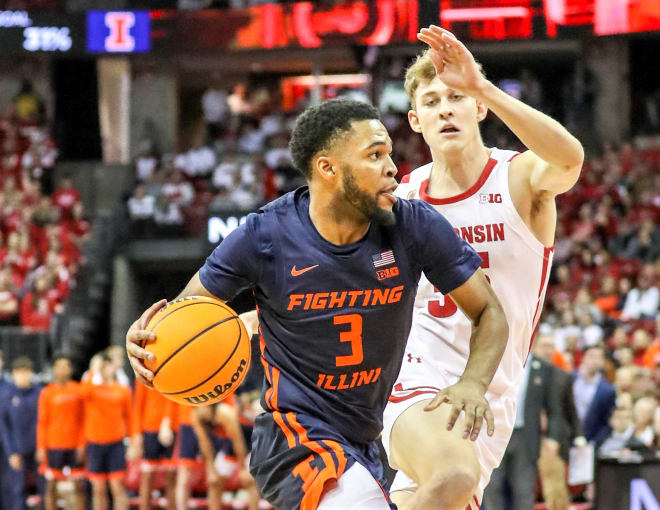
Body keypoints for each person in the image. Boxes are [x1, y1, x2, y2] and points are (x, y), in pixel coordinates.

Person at [126, 98, 508, 509]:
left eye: (389, 154)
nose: (392, 168)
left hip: (364, 439)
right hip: (293, 438)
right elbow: (189, 311)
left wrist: (473, 383)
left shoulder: (414, 226)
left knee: (457, 481)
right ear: (328, 168)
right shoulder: (265, 235)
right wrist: (152, 341)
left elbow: (489, 312)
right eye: (375, 155)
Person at [381, 25, 584, 510]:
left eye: (456, 97)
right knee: (451, 475)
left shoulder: (517, 178)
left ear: (479, 109)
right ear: (415, 120)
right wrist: (255, 321)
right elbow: (347, 285)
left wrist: (481, 82)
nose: (445, 108)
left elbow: (571, 159)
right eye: (431, 101)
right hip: (416, 376)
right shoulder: (403, 198)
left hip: (492, 393)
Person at [482, 351, 562, 510]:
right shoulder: (492, 357)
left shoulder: (544, 367)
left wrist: (553, 437)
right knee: (492, 486)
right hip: (493, 432)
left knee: (524, 488)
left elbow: (554, 407)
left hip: (525, 435)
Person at [81, 352, 132, 510]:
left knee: (117, 486)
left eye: (107, 366)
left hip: (116, 442)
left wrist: (133, 440)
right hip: (95, 443)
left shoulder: (122, 390)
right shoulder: (92, 389)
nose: (105, 369)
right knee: (98, 488)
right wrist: (94, 370)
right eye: (102, 366)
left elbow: (130, 417)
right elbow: (82, 394)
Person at [37, 354, 86, 510]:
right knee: (51, 486)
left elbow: (83, 420)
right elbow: (42, 422)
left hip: (74, 445)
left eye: (66, 366)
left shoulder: (78, 390)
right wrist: (41, 447)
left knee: (78, 486)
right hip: (54, 445)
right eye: (60, 366)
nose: (63, 370)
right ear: (54, 369)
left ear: (70, 369)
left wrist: (81, 444)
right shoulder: (47, 392)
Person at [0, 357, 42, 510]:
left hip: (38, 449)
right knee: (18, 489)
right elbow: (5, 427)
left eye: (26, 372)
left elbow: (44, 422)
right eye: (20, 372)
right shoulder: (7, 395)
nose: (23, 376)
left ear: (31, 373)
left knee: (43, 488)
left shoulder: (39, 393)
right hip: (18, 450)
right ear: (14, 374)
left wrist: (42, 447)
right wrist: (11, 452)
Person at [131, 381, 176, 510]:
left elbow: (173, 398)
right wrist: (136, 434)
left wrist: (167, 420)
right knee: (147, 477)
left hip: (171, 427)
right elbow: (138, 404)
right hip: (150, 428)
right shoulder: (144, 373)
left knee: (171, 478)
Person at [573, 344, 616, 447]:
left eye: (598, 357)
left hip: (591, 442)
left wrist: (594, 443)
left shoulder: (608, 390)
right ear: (583, 358)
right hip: (567, 439)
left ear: (602, 362)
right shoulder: (570, 379)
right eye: (591, 356)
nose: (594, 361)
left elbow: (608, 422)